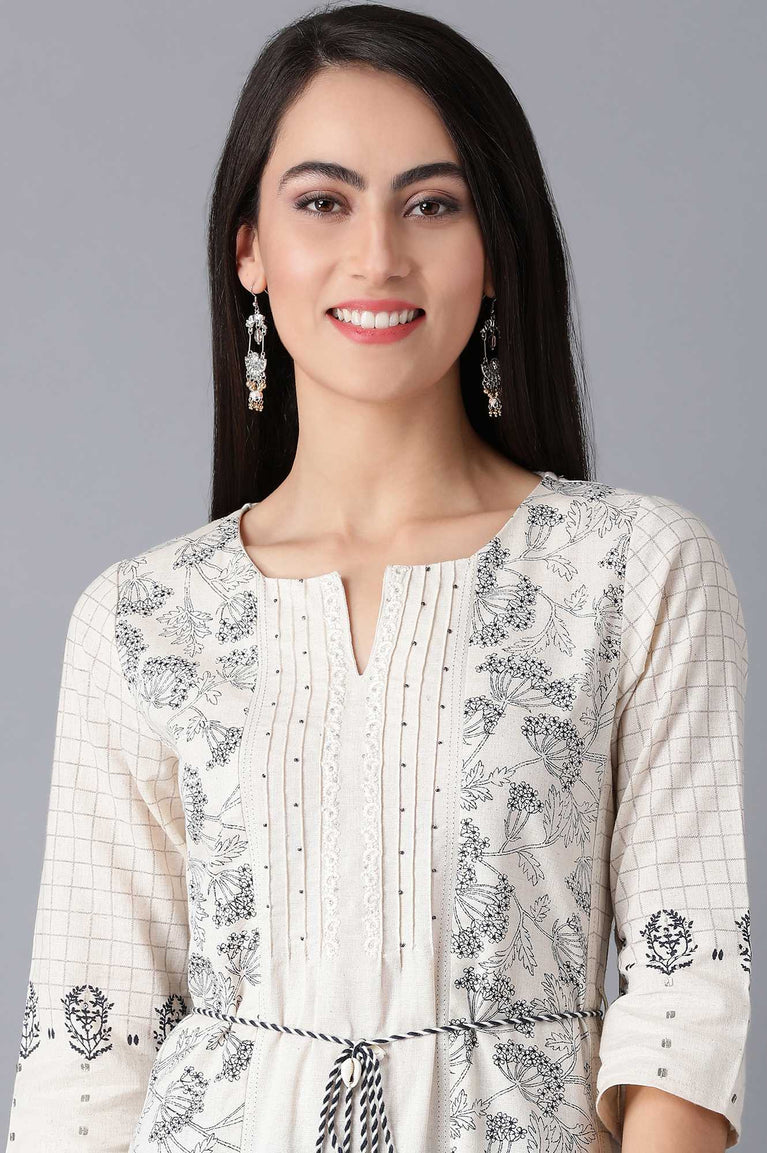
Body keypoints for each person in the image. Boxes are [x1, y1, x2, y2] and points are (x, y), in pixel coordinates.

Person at [5, 4, 751, 1152]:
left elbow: (682, 1005)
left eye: (432, 204)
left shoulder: (631, 569)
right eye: (322, 202)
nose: (377, 257)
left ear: (495, 249)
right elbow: (84, 1057)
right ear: (248, 250)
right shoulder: (143, 617)